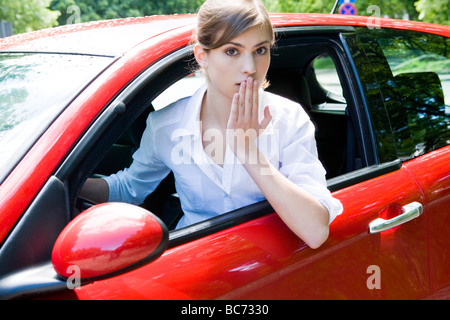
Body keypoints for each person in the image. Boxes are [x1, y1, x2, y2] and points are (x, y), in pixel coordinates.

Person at [80, 0, 343, 249]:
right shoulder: (165, 125)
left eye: (260, 50)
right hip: (195, 262)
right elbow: (128, 189)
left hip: (270, 264)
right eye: (232, 51)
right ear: (202, 56)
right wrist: (65, 184)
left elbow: (315, 231)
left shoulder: (289, 119)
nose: (250, 67)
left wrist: (248, 151)